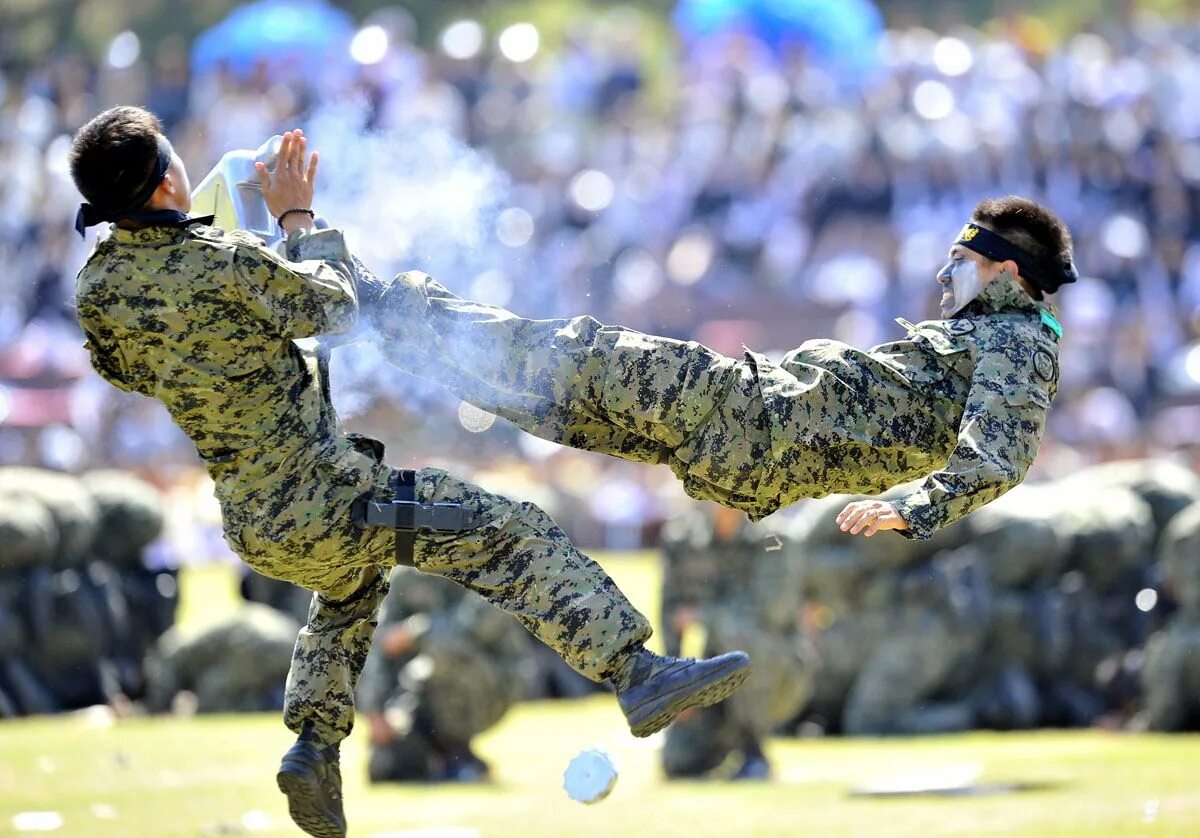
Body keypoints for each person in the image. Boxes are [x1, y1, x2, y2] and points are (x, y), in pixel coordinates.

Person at [69, 107, 750, 838]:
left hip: (253, 518)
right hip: (335, 501)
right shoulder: (222, 263)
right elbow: (333, 307)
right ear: (169, 179)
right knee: (506, 532)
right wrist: (297, 218)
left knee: (350, 588)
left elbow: (128, 367)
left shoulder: (99, 291)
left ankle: (315, 748)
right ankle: (635, 672)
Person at [370, 196, 1075, 541]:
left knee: (574, 355)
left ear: (1006, 270)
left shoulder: (1019, 341)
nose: (946, 272)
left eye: (963, 261)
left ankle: (377, 303)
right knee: (556, 407)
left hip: (748, 410)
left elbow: (1002, 456)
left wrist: (912, 508)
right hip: (752, 451)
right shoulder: (1003, 340)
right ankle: (397, 333)